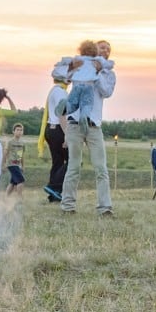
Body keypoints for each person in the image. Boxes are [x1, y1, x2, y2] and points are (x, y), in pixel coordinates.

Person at [61, 39, 116, 216]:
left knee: (101, 168)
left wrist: (98, 73)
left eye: (108, 49)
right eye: (102, 47)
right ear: (94, 50)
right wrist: (72, 68)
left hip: (94, 126)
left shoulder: (109, 74)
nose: (105, 50)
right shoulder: (81, 65)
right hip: (75, 123)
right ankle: (68, 206)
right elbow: (65, 78)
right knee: (74, 167)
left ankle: (105, 207)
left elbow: (106, 92)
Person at [39, 62, 71, 203]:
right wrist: (67, 135)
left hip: (50, 128)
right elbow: (62, 114)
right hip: (59, 129)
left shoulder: (54, 90)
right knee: (73, 161)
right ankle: (54, 186)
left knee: (57, 162)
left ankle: (53, 195)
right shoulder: (61, 92)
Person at [4, 123, 26, 197]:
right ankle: (20, 198)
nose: (19, 132)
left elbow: (21, 155)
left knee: (13, 183)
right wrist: (3, 164)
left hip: (17, 164)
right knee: (21, 180)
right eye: (17, 130)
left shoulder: (22, 143)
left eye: (21, 130)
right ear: (13, 131)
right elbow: (5, 153)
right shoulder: (10, 142)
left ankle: (6, 198)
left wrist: (22, 166)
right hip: (11, 164)